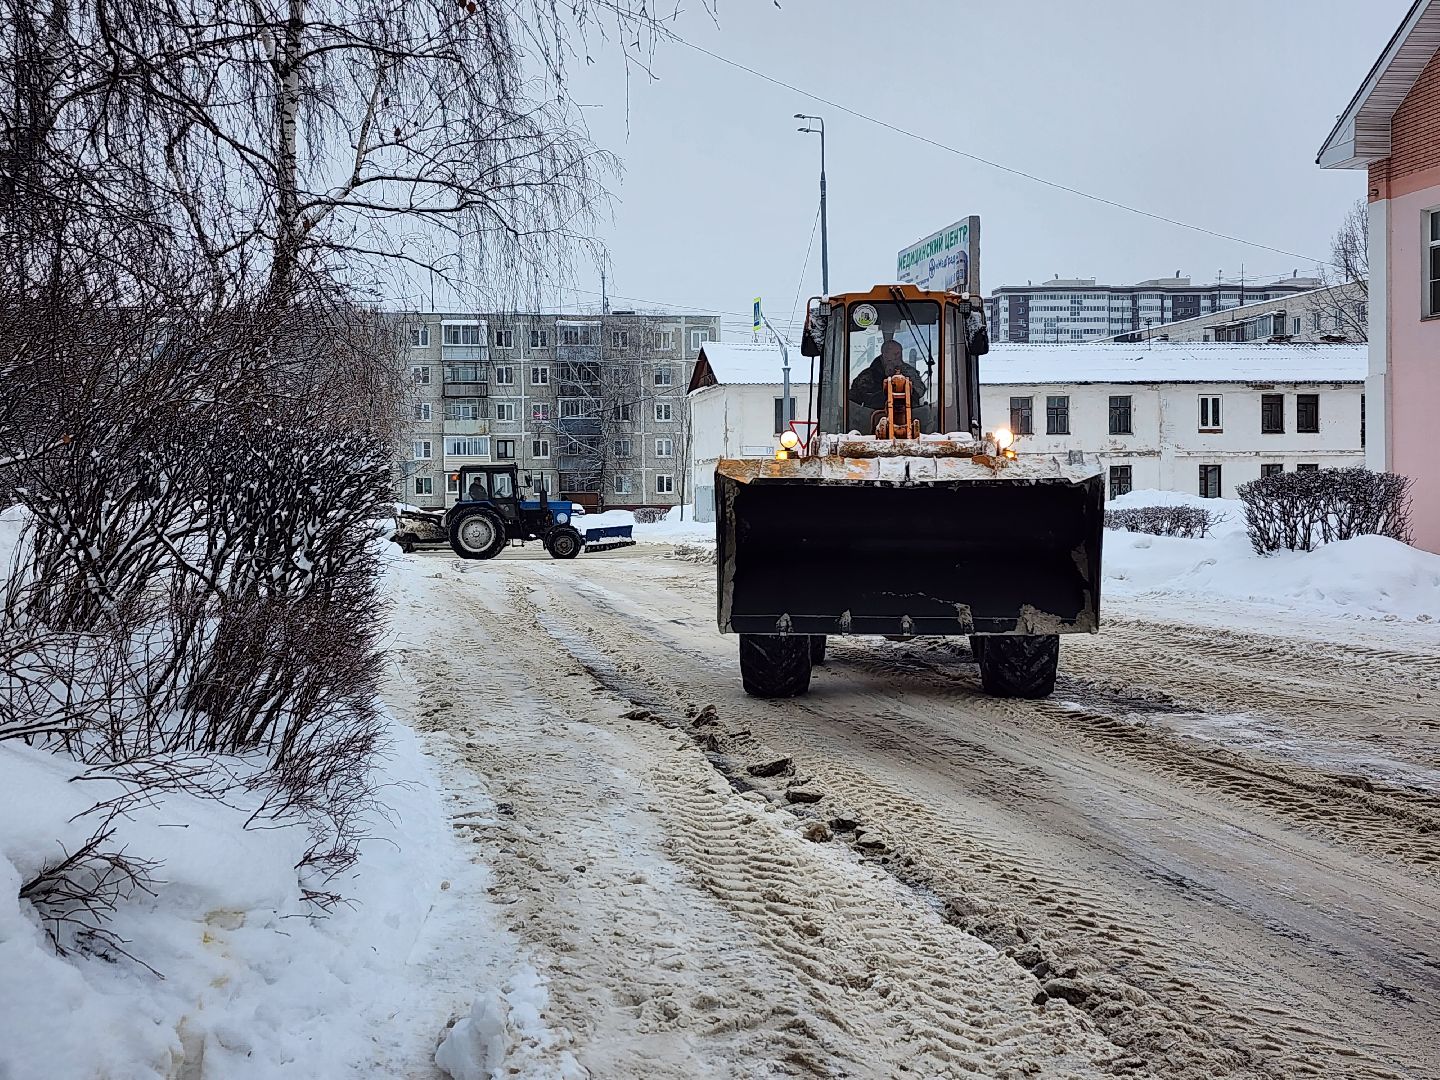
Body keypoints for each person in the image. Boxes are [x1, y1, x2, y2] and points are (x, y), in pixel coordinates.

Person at [848, 339, 927, 412]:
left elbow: (920, 391)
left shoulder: (909, 371)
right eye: (895, 354)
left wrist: (903, 376)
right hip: (875, 417)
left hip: (909, 415)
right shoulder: (868, 376)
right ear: (884, 354)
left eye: (899, 353)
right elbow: (853, 401)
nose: (898, 357)